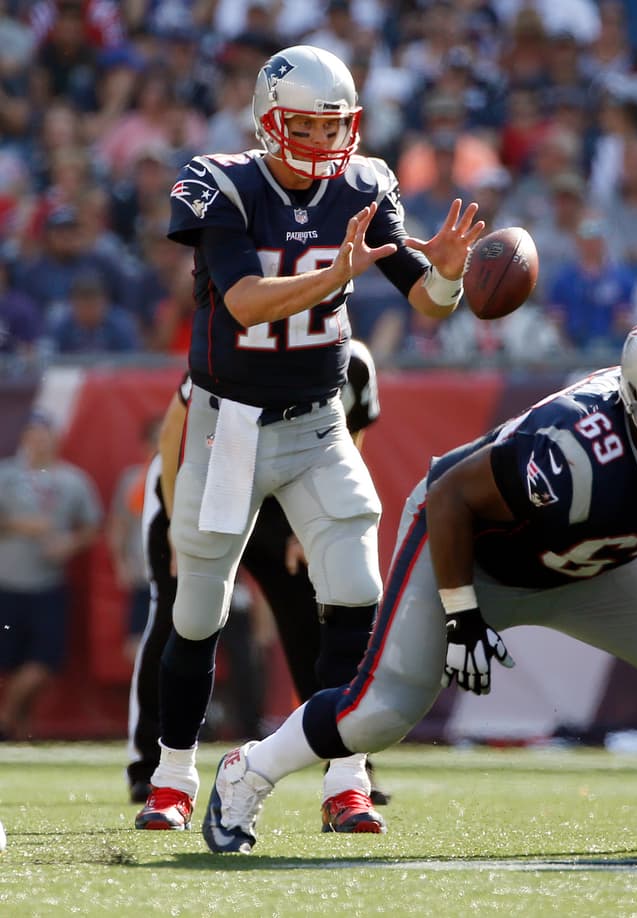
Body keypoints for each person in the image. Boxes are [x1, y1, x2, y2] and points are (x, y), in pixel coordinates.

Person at [200, 309, 637, 854]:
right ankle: (250, 772)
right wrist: (463, 613)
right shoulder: (576, 451)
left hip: (590, 564)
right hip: (475, 557)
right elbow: (451, 498)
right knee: (378, 713)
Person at [135, 44, 484, 834]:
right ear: (266, 122)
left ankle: (347, 778)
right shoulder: (221, 183)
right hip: (228, 428)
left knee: (357, 589)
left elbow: (427, 305)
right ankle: (172, 776)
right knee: (199, 611)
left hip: (319, 424)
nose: (326, 144)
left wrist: (451, 276)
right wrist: (338, 272)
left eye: (336, 127)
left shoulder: (366, 185)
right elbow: (249, 303)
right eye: (305, 125)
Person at [127, 341, 384, 806]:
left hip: (290, 493)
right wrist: (170, 519)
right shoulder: (237, 346)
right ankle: (153, 765)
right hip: (206, 478)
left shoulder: (355, 362)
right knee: (181, 617)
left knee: (317, 619)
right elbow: (175, 432)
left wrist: (308, 524)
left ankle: (345, 762)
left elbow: (352, 435)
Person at [0, 412, 102, 740]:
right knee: (12, 661)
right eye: (32, 435)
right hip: (8, 584)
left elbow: (91, 526)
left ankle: (6, 718)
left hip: (48, 586)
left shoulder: (73, 480)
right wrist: (18, 525)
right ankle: (20, 732)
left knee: (43, 662)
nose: (38, 442)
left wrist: (68, 544)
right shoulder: (6, 476)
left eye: (43, 435)